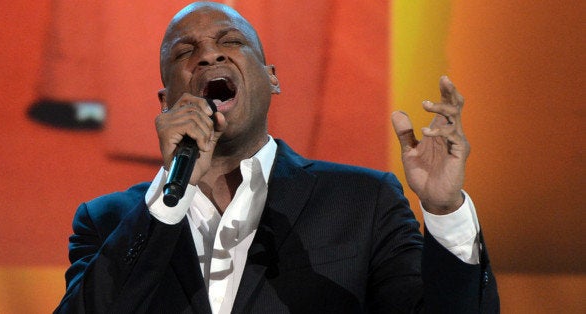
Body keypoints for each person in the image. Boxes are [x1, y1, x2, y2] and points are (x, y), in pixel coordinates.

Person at [55, 2, 499, 313]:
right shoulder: (107, 221)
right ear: (165, 101)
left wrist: (445, 210)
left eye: (230, 41)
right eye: (185, 52)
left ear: (272, 79)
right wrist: (167, 204)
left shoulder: (365, 201)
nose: (209, 54)